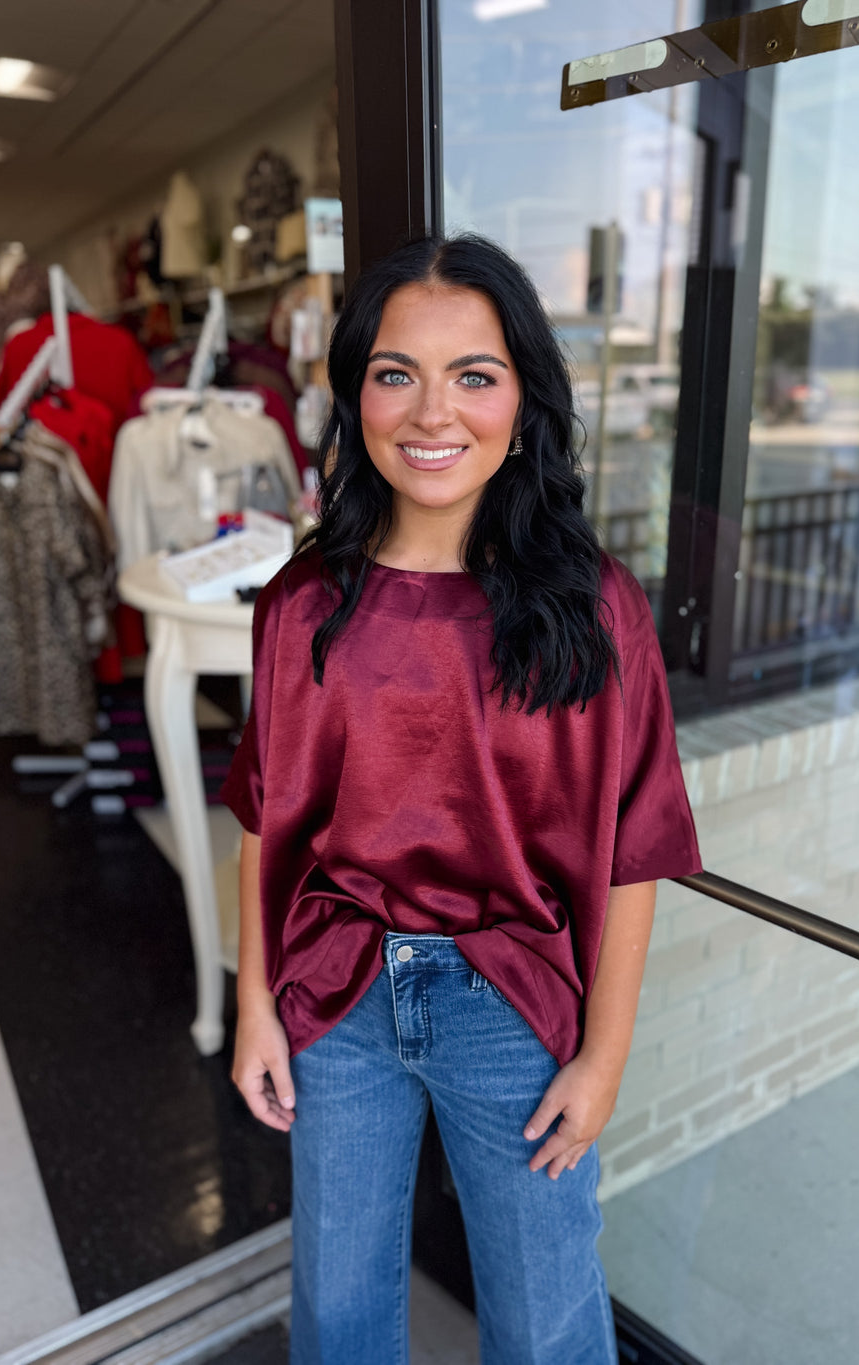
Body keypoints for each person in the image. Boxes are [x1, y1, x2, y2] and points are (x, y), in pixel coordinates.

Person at [222, 234, 701, 1365]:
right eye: (395, 373)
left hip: (515, 1007)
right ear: (354, 397)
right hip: (334, 996)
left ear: (523, 398)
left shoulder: (593, 609)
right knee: (339, 1313)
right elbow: (264, 821)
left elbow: (635, 849)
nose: (431, 413)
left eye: (472, 375)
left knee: (545, 1323)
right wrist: (255, 1006)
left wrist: (604, 1056)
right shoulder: (301, 605)